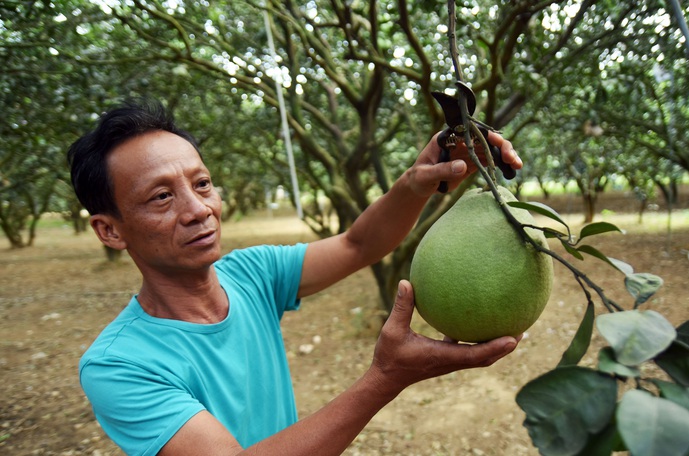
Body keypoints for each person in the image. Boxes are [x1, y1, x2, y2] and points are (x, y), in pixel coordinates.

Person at [68, 99, 523, 456]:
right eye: (162, 196)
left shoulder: (250, 274)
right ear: (109, 229)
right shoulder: (120, 364)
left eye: (202, 184)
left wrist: (418, 180)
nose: (198, 210)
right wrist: (386, 377)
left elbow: (357, 245)